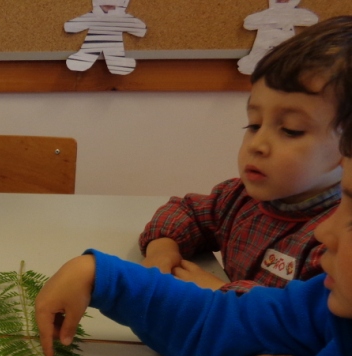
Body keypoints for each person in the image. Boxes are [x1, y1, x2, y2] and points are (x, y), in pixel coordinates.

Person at [34, 66, 352, 356]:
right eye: (253, 124)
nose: (326, 230)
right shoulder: (330, 299)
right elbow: (230, 321)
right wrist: (104, 277)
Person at [141, 16, 351, 292]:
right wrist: (162, 248)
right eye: (254, 125)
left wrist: (219, 294)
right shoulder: (239, 197)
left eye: (291, 130)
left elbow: (299, 316)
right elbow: (186, 211)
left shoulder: (337, 240)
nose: (257, 144)